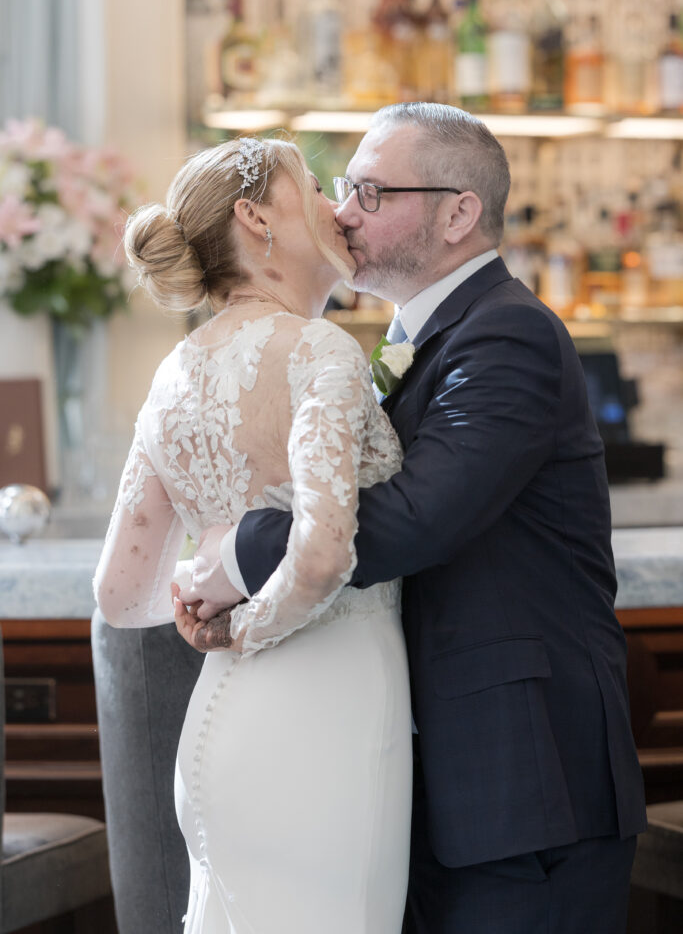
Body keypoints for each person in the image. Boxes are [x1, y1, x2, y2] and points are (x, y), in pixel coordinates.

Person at [180, 103, 648, 934]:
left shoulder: (509, 334)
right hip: (429, 779)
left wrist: (234, 554)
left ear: (457, 213)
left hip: (522, 780)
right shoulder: (407, 342)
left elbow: (412, 520)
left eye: (368, 192)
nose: (340, 212)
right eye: (341, 189)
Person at [93, 135, 413, 934]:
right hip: (330, 716)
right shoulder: (317, 351)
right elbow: (325, 546)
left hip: (217, 730)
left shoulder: (173, 374)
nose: (339, 207)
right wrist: (253, 628)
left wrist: (217, 602)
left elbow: (120, 593)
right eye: (311, 185)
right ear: (255, 217)